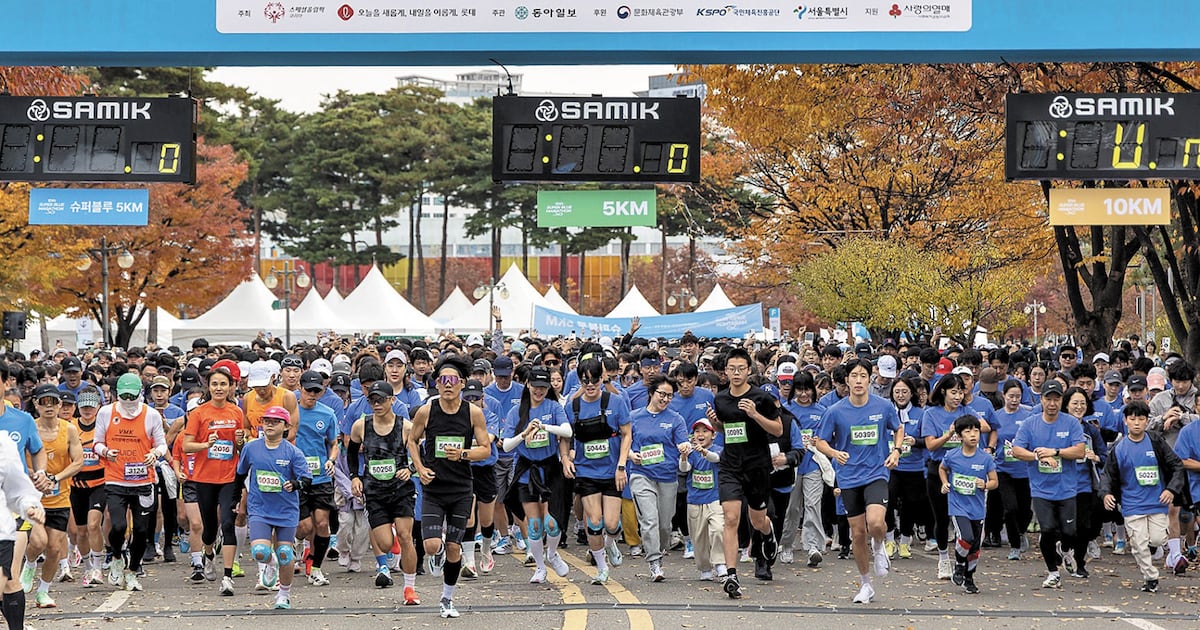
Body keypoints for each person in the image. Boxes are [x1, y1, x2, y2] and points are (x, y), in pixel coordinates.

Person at [407, 355, 493, 619]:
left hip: (461, 488)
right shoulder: (426, 410)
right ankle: (438, 552)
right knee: (432, 544)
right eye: (442, 380)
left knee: (456, 548)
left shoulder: (473, 413)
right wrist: (420, 468)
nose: (447, 384)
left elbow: (485, 449)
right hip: (433, 487)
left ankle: (447, 599)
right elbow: (412, 441)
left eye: (452, 380)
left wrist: (464, 454)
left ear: (462, 384)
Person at [814, 358, 903, 604]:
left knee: (876, 523)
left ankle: (880, 545)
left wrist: (896, 450)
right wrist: (834, 453)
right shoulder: (836, 411)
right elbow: (820, 441)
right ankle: (866, 584)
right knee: (857, 533)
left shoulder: (883, 406)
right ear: (847, 380)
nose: (859, 380)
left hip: (876, 472)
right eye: (854, 376)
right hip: (849, 476)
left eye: (863, 375)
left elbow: (898, 428)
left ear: (870, 378)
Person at [707, 347, 783, 599]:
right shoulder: (720, 399)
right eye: (732, 369)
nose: (736, 373)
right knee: (730, 518)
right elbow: (726, 429)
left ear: (749, 370)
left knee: (757, 520)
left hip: (757, 465)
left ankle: (768, 533)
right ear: (725, 371)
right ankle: (731, 575)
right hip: (730, 465)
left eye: (741, 369)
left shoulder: (761, 397)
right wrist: (716, 423)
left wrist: (754, 414)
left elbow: (778, 430)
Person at [93, 373, 168, 592]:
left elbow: (162, 445)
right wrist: (107, 451)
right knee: (118, 525)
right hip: (116, 479)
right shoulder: (106, 412)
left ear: (140, 394)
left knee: (142, 531)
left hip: (144, 481)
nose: (127, 400)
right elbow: (96, 443)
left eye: (131, 395)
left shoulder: (151, 415)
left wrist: (155, 453)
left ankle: (133, 571)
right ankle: (116, 556)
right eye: (123, 395)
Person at [1102, 400, 1185, 593]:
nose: (1137, 423)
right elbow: (1108, 475)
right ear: (1125, 421)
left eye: (1141, 418)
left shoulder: (1156, 441)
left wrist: (1171, 489)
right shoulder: (1119, 448)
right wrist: (1106, 494)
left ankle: (1153, 547)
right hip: (1132, 505)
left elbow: (1177, 465)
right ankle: (1150, 577)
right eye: (1132, 419)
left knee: (1156, 540)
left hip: (1157, 502)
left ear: (1147, 421)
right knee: (1138, 544)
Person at [347, 381, 420, 603]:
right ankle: (392, 545)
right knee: (386, 544)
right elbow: (351, 454)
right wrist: (355, 477)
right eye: (372, 400)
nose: (376, 404)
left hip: (400, 490)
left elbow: (420, 456)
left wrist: (410, 469)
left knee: (407, 536)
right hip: (374, 491)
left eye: (381, 400)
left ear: (392, 400)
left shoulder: (405, 426)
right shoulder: (361, 426)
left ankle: (410, 588)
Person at [500, 366, 572, 584]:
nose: (539, 391)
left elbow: (567, 431)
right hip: (526, 470)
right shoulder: (518, 411)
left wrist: (546, 427)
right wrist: (524, 433)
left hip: (550, 468)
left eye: (543, 387)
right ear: (528, 385)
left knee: (552, 523)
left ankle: (553, 554)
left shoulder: (553, 406)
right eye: (535, 387)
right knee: (534, 525)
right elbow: (506, 446)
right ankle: (540, 567)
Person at [1011, 380, 1086, 589]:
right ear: (1041, 399)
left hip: (1067, 488)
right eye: (1048, 399)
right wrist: (1037, 457)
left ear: (1062, 401)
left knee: (1069, 532)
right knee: (1048, 529)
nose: (1052, 403)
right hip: (1041, 488)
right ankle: (1053, 572)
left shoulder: (1070, 423)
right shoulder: (1030, 423)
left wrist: (1056, 452)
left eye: (1057, 399)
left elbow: (1080, 451)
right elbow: (1016, 450)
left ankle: (1065, 550)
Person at [562, 359, 632, 586]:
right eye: (585, 381)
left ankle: (610, 542)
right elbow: (564, 436)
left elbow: (627, 433)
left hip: (612, 471)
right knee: (594, 521)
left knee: (611, 524)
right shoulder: (573, 406)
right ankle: (601, 567)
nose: (590, 385)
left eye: (595, 380)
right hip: (586, 471)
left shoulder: (616, 401)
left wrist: (622, 465)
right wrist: (565, 458)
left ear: (602, 378)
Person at [235, 405, 310, 609]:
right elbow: (240, 474)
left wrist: (294, 484)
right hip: (260, 508)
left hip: (286, 510)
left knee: (285, 552)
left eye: (275, 421)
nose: (269, 424)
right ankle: (270, 564)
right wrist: (236, 499)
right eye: (266, 420)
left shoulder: (293, 452)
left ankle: (283, 595)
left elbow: (306, 479)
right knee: (260, 551)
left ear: (286, 426)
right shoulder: (251, 448)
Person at [181, 363, 245, 595]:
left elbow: (239, 447)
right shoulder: (199, 413)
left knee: (228, 524)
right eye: (215, 384)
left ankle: (227, 577)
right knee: (209, 529)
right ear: (208, 386)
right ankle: (209, 555)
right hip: (205, 477)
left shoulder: (236, 412)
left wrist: (240, 440)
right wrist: (205, 445)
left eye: (224, 384)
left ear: (230, 387)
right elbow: (187, 445)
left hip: (229, 476)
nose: (219, 388)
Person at [19, 385, 82, 608]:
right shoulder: (29, 427)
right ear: (35, 403)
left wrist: (55, 478)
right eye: (43, 402)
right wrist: (35, 476)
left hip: (60, 497)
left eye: (53, 402)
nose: (49, 407)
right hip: (32, 497)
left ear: (59, 405)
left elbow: (78, 462)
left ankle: (43, 591)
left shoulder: (69, 430)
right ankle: (29, 563)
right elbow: (15, 457)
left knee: (55, 548)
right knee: (38, 541)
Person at [627, 374, 690, 583]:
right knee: (649, 520)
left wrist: (684, 448)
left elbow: (683, 443)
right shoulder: (634, 417)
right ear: (651, 393)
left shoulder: (675, 419)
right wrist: (630, 455)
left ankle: (660, 550)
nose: (665, 399)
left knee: (664, 525)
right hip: (641, 474)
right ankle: (654, 562)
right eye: (661, 394)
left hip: (667, 476)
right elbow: (623, 442)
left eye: (669, 396)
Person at [938, 415, 998, 595]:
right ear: (959, 435)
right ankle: (958, 564)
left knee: (975, 548)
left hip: (978, 509)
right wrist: (944, 483)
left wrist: (985, 485)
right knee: (966, 537)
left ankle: (969, 577)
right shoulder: (952, 455)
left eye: (976, 431)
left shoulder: (985, 458)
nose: (973, 435)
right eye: (967, 431)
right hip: (958, 506)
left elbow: (995, 481)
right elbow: (942, 468)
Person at [292, 371, 340, 589]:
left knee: (321, 523)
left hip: (320, 477)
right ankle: (298, 541)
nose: (312, 395)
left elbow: (334, 443)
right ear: (300, 389)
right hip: (297, 477)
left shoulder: (327, 413)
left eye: (316, 391)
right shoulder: (291, 410)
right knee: (304, 526)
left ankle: (317, 569)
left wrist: (331, 460)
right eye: (308, 390)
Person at [0, 434, 46, 630]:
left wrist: (29, 506)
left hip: (0, 535)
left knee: (10, 581)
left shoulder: (3, 444)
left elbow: (18, 490)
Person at [69, 387, 108, 587]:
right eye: (83, 406)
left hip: (99, 483)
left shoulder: (103, 427)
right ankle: (87, 568)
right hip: (76, 484)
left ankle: (98, 568)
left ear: (98, 407)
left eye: (91, 407)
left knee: (94, 524)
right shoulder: (71, 427)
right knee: (80, 531)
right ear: (78, 407)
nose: (87, 410)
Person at [992, 380, 1033, 560]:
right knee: (1010, 508)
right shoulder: (996, 416)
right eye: (1011, 396)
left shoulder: (1028, 416)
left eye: (1018, 396)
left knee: (1025, 510)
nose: (1015, 400)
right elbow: (990, 440)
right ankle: (1014, 545)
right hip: (1003, 468)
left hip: (1025, 469)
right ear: (1004, 396)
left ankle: (1021, 531)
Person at [681, 418, 725, 581]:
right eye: (697, 431)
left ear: (713, 435)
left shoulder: (718, 449)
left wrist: (703, 452)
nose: (700, 434)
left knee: (718, 529)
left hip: (715, 498)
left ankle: (720, 563)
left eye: (705, 431)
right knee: (698, 537)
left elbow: (715, 459)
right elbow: (684, 469)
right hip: (694, 499)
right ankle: (705, 568)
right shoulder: (691, 452)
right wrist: (684, 456)